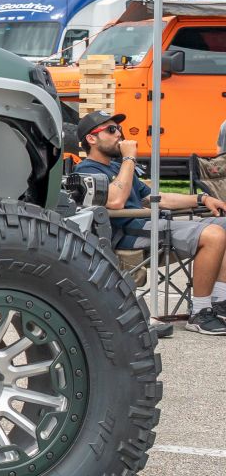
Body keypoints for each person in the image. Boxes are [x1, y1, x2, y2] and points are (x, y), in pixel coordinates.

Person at [74, 111, 226, 334]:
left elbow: (157, 198)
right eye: (111, 130)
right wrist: (129, 158)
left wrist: (202, 199)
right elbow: (115, 201)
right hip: (127, 234)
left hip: (149, 226)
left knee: (223, 224)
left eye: (119, 129)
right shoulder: (86, 170)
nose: (119, 134)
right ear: (91, 138)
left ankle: (219, 302)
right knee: (213, 235)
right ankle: (200, 313)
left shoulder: (117, 168)